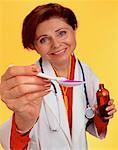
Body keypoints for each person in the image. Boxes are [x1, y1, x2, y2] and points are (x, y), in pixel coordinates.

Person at [0, 3, 117, 150]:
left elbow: (94, 126)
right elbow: (14, 145)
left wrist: (102, 116)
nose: (56, 44)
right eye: (44, 39)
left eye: (61, 33)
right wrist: (23, 120)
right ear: (34, 45)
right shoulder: (29, 82)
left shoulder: (87, 74)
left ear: (74, 30)